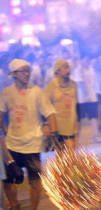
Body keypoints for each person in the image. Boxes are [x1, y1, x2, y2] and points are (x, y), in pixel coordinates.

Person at [0, 59, 57, 210]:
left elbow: (50, 113)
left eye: (28, 70)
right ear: (14, 74)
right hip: (12, 145)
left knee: (35, 182)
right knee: (7, 180)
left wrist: (53, 132)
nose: (27, 73)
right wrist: (5, 129)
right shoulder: (7, 93)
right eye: (23, 71)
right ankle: (14, 205)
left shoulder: (37, 92)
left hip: (32, 145)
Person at [45, 59, 79, 150]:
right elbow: (46, 107)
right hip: (58, 128)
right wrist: (47, 125)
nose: (68, 70)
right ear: (58, 71)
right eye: (65, 68)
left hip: (72, 127)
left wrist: (79, 123)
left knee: (70, 154)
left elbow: (76, 105)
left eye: (68, 67)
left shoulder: (74, 85)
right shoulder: (51, 86)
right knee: (63, 155)